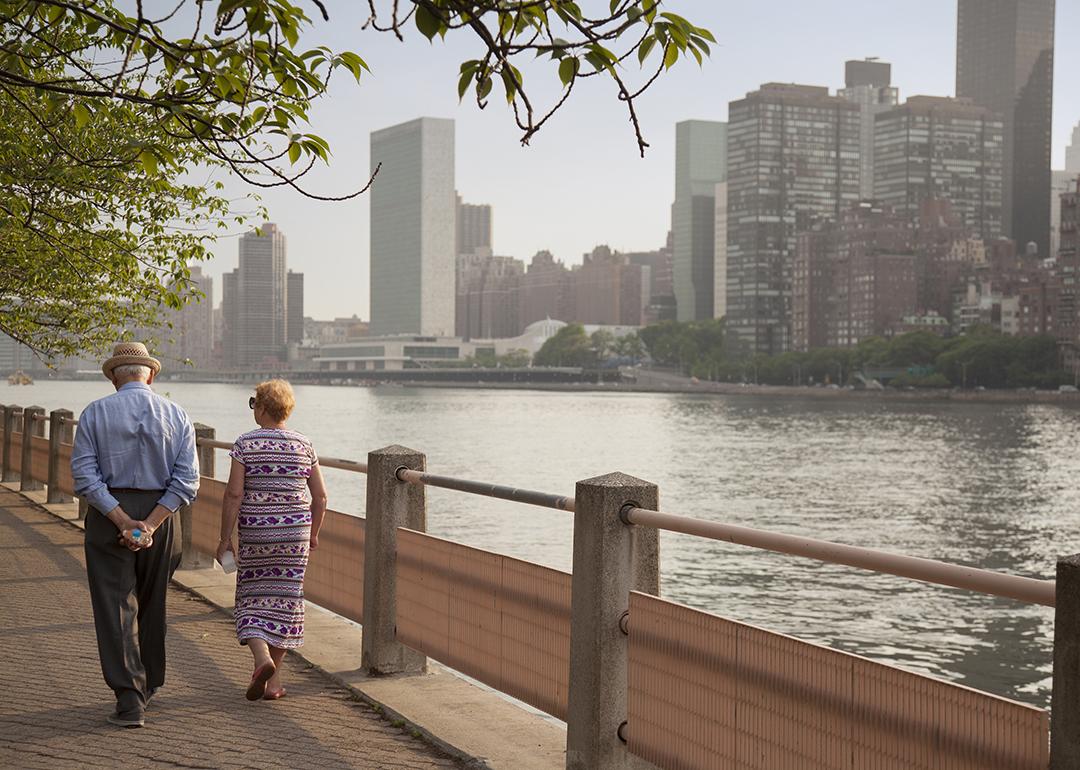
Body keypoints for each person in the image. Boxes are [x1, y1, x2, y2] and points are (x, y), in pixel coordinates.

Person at [71, 342, 199, 728]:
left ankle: (129, 698)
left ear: (113, 377)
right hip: (162, 513)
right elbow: (187, 481)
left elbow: (84, 476)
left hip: (109, 513)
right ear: (151, 375)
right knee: (153, 600)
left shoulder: (95, 413)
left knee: (114, 605)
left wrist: (122, 520)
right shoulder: (177, 414)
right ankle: (152, 683)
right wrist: (151, 524)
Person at [217, 379, 327, 701]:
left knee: (251, 598)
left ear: (262, 408)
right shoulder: (304, 445)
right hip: (295, 535)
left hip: (257, 534)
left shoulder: (245, 444)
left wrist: (225, 538)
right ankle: (273, 683)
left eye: (254, 404)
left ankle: (262, 659)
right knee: (286, 602)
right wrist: (314, 535)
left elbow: (234, 494)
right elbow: (320, 497)